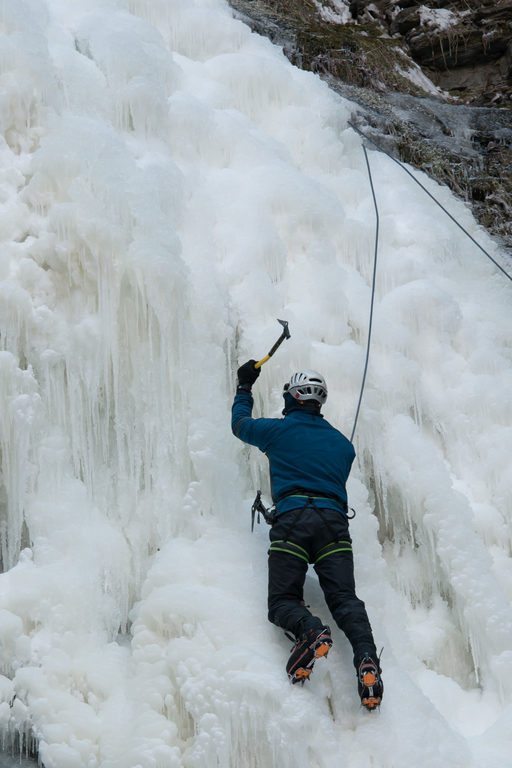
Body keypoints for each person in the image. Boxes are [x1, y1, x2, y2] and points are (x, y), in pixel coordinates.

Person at [231, 361, 383, 710]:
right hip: (334, 525)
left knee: (283, 601)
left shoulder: (278, 431)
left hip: (293, 521)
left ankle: (311, 631)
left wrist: (244, 387)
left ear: (293, 397)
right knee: (345, 600)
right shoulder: (343, 447)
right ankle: (367, 659)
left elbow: (240, 425)